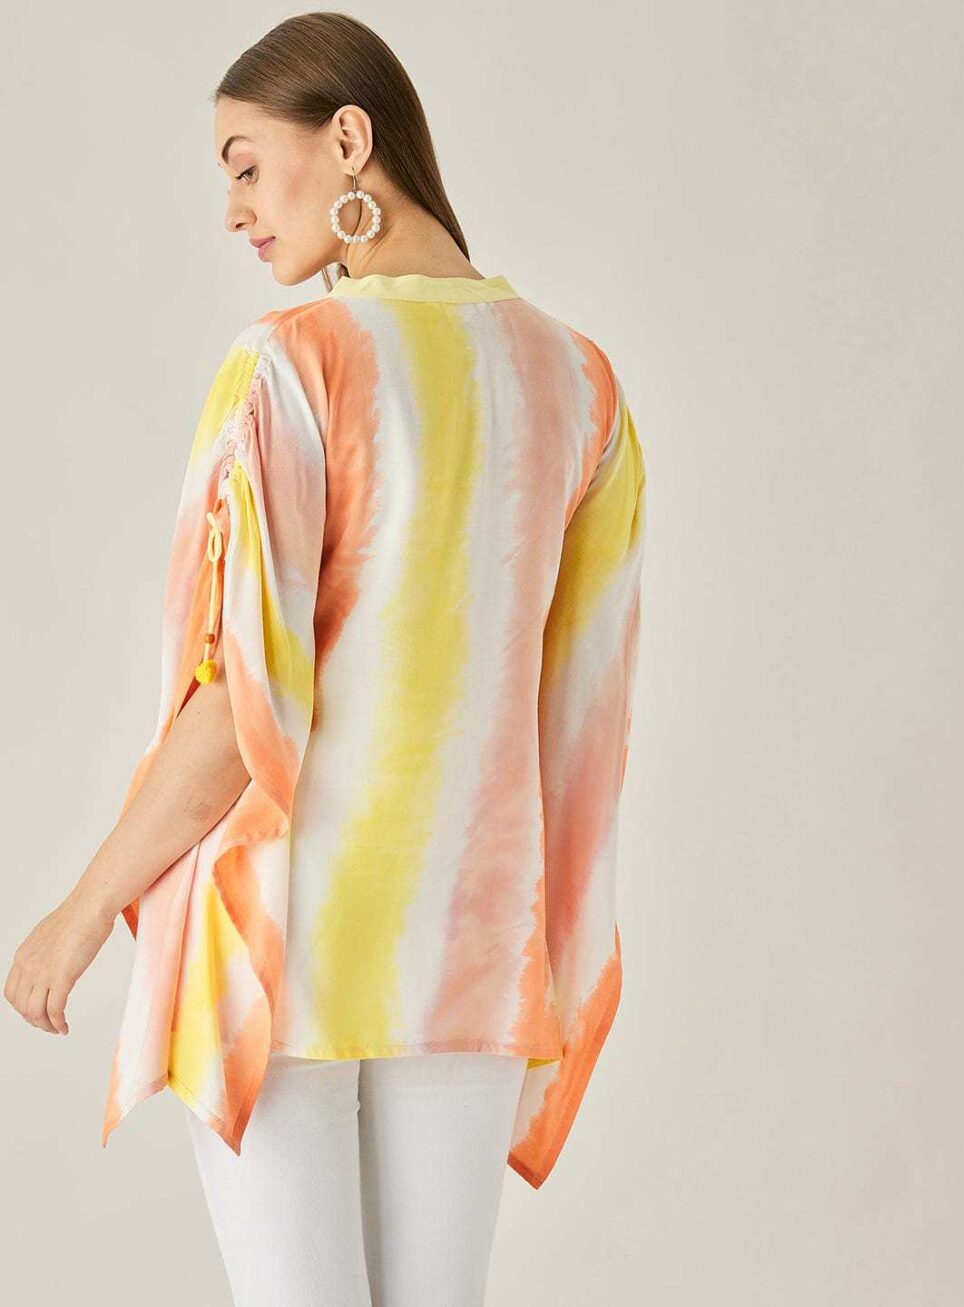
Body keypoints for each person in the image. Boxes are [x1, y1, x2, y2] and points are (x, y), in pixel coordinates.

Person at [3, 12, 646, 1305]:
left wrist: (81, 913)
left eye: (247, 164)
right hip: (470, 957)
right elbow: (582, 726)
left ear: (349, 138)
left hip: (283, 948)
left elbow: (245, 712)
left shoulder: (297, 365)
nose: (235, 210)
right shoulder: (582, 384)